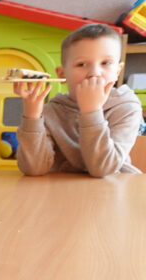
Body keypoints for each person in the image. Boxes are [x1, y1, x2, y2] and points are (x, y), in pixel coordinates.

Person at [14, 23, 143, 177]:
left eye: (106, 63)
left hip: (114, 185)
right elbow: (34, 169)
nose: (94, 73)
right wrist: (32, 116)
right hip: (62, 188)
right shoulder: (51, 111)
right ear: (62, 74)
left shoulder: (126, 107)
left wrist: (91, 112)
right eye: (81, 64)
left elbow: (102, 169)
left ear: (118, 70)